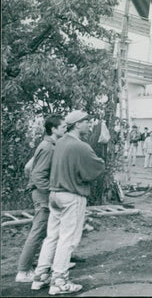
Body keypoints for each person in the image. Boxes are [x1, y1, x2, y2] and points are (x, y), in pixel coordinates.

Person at [32, 110, 105, 295]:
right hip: (72, 196)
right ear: (77, 124)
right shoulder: (80, 146)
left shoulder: (59, 142)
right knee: (68, 240)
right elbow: (96, 169)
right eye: (87, 121)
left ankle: (40, 276)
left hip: (54, 194)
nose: (90, 125)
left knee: (52, 237)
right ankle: (59, 281)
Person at [16, 116, 67, 284]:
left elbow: (28, 167)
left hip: (41, 192)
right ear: (53, 129)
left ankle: (48, 263)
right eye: (63, 127)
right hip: (43, 195)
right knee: (38, 232)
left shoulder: (49, 145)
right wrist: (50, 192)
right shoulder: (48, 147)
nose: (65, 129)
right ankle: (23, 271)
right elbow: (37, 175)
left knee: (49, 231)